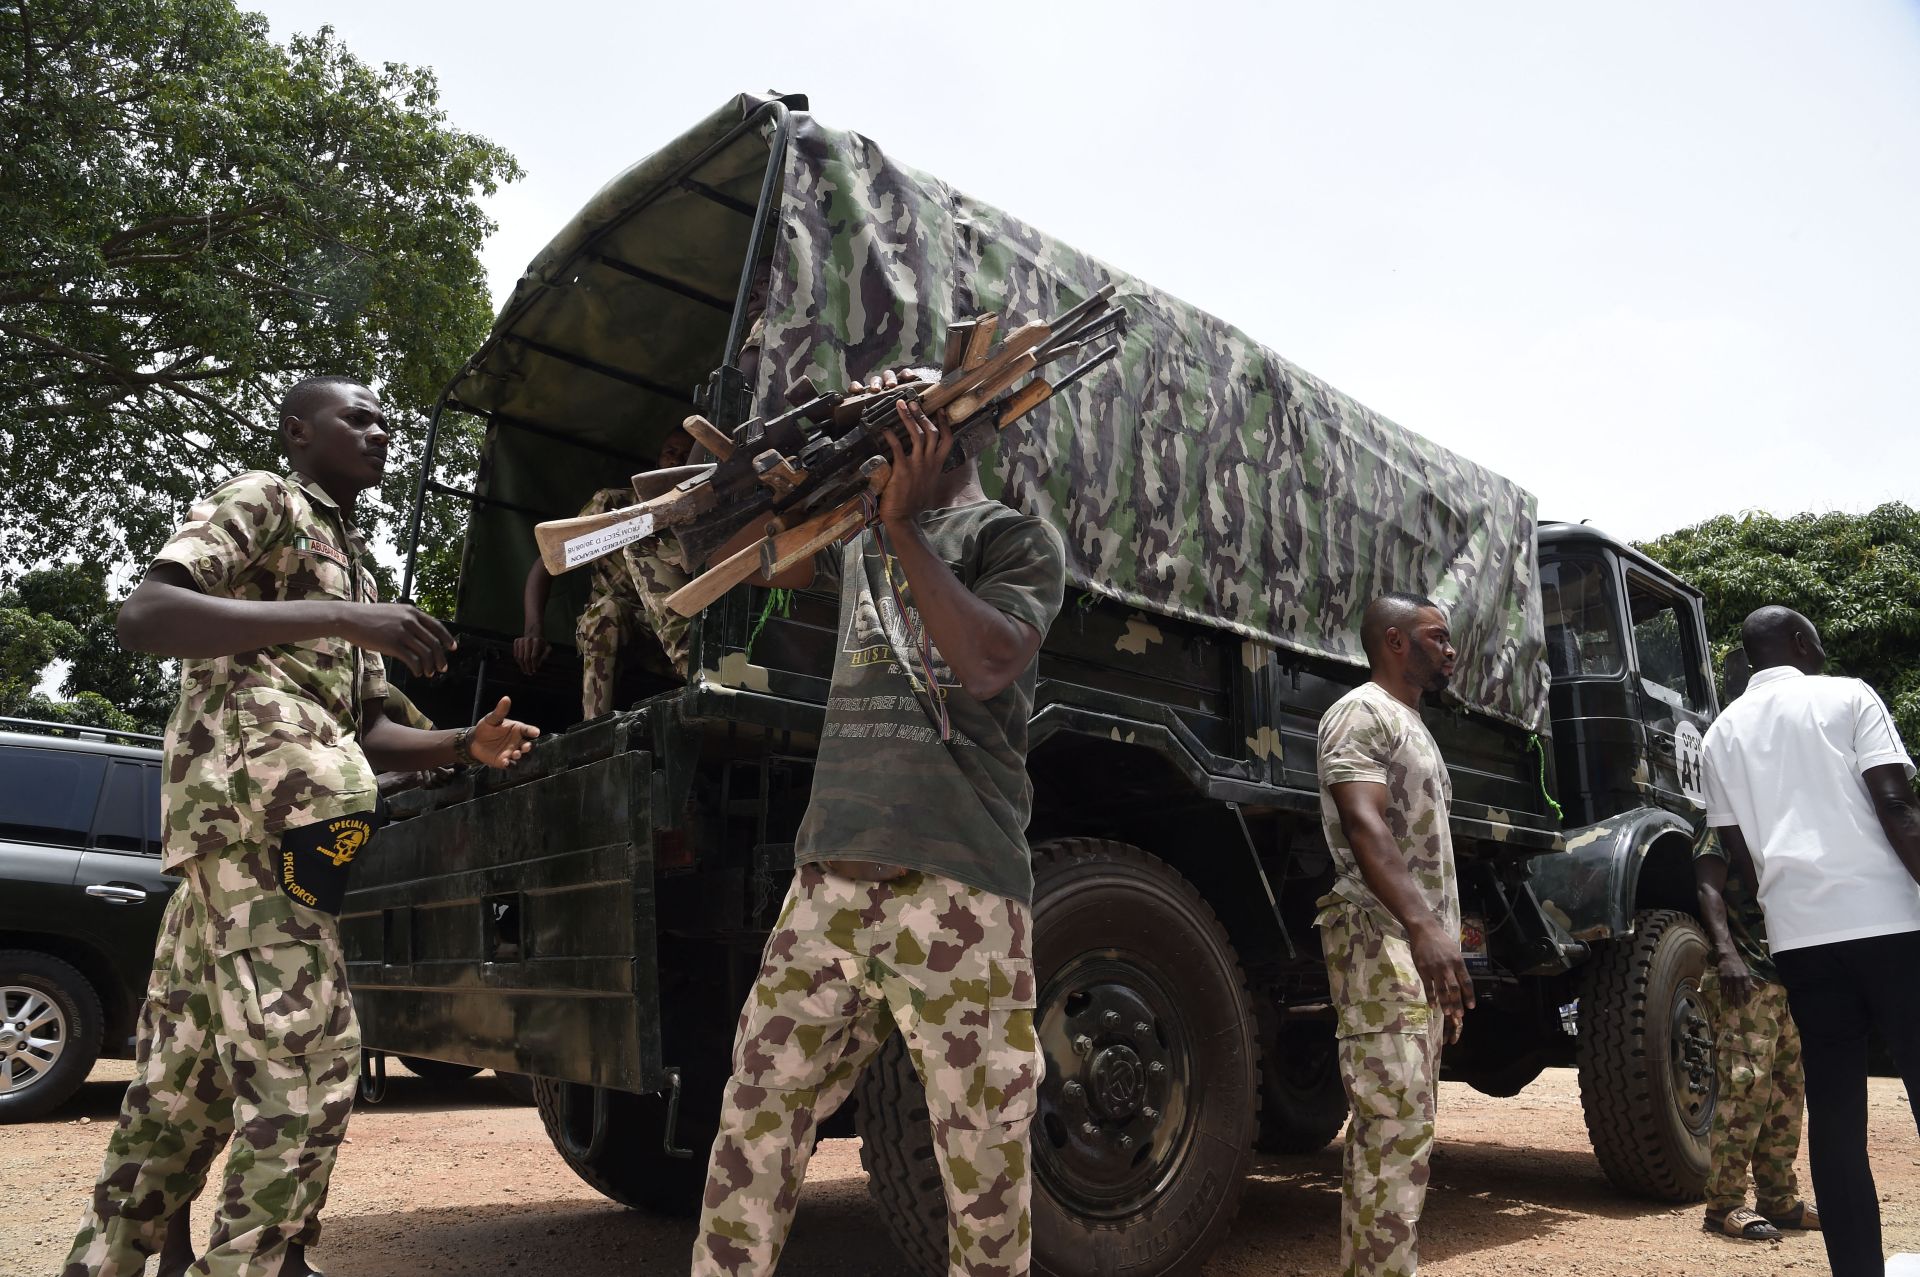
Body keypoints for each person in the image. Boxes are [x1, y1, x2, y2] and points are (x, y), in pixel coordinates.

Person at [63, 375, 539, 1277]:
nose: (379, 432)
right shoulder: (268, 498)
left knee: (176, 1087)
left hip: (250, 834)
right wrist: (346, 616)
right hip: (255, 820)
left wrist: (461, 744)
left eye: (385, 422)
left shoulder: (355, 561)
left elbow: (368, 726)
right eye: (357, 418)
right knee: (311, 1063)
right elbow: (147, 615)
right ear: (296, 431)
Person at [689, 385, 1066, 1276]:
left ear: (956, 433)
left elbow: (988, 660)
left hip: (959, 885)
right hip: (829, 882)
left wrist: (901, 524)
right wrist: (743, 487)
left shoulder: (1013, 537)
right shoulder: (856, 536)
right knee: (757, 1114)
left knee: (981, 1150)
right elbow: (746, 562)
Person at [1704, 605, 1920, 1277]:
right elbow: (1896, 805)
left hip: (1801, 941)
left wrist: (1787, 910)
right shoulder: (1848, 696)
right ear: (1800, 642)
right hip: (1890, 921)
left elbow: (1740, 855)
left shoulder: (1720, 734)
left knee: (1835, 1115)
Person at [1315, 591, 1471, 1277]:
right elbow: (1363, 823)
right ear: (1394, 641)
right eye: (1437, 636)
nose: (1450, 649)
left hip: (1408, 949)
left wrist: (1438, 947)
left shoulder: (1411, 723)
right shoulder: (1362, 712)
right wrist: (1424, 930)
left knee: (1405, 1131)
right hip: (1378, 938)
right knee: (1393, 1127)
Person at [1693, 648, 1816, 1242]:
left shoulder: (1781, 807)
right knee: (1745, 1088)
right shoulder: (1728, 806)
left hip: (1784, 970)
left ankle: (1779, 1197)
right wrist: (1727, 955)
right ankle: (1723, 1206)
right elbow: (1707, 886)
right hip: (1746, 975)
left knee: (1786, 1091)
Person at [514, 428, 695, 716]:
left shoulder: (701, 518)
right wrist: (533, 631)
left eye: (686, 457)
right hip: (618, 627)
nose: (676, 461)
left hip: (674, 636)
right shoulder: (615, 505)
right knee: (608, 611)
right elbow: (548, 564)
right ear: (657, 459)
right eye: (670, 452)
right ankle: (594, 728)